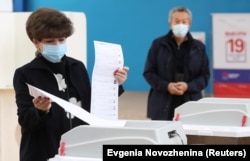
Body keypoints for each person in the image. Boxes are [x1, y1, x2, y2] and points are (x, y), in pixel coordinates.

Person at [13, 7, 129, 161]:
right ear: (36, 42)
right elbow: (26, 121)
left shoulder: (77, 67)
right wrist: (40, 111)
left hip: (79, 149)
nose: (57, 45)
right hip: (44, 151)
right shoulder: (25, 74)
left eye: (61, 40)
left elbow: (92, 104)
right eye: (50, 41)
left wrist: (115, 83)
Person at [143, 6, 210, 121]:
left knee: (189, 137)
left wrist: (188, 86)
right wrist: (167, 86)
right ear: (170, 23)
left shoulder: (199, 48)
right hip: (162, 103)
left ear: (190, 24)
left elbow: (205, 76)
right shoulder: (158, 45)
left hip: (190, 102)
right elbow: (149, 72)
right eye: (177, 21)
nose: (181, 24)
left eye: (184, 21)